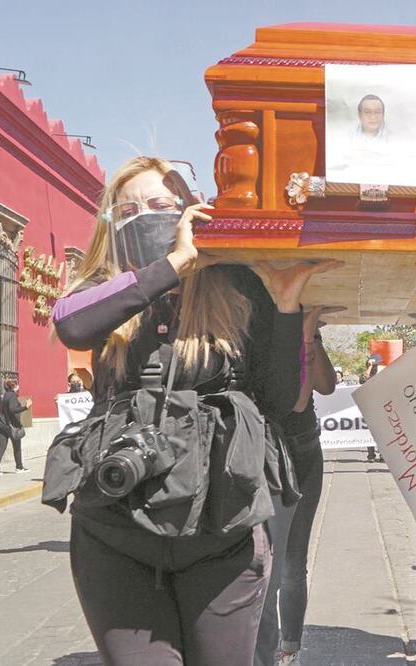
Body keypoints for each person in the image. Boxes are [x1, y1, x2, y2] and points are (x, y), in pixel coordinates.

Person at [49, 156, 334, 664]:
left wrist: (288, 308)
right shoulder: (104, 289)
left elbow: (280, 399)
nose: (146, 217)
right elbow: (71, 325)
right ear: (110, 225)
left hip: (221, 532)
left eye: (161, 206)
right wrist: (172, 266)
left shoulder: (237, 285)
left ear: (190, 211)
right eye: (129, 209)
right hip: (115, 533)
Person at [257, 306, 340, 666]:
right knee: (268, 565)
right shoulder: (264, 341)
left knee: (293, 564)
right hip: (269, 458)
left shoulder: (307, 336)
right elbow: (297, 399)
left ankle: (288, 648)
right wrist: (305, 334)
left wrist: (313, 339)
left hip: (305, 455)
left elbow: (326, 385)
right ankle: (263, 646)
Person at [0, 378, 30, 475]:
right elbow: (13, 410)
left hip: (1, 423)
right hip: (10, 425)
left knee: (2, 446)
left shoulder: (1, 396)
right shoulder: (12, 395)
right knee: (17, 446)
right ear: (14, 386)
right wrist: (26, 407)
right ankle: (19, 467)